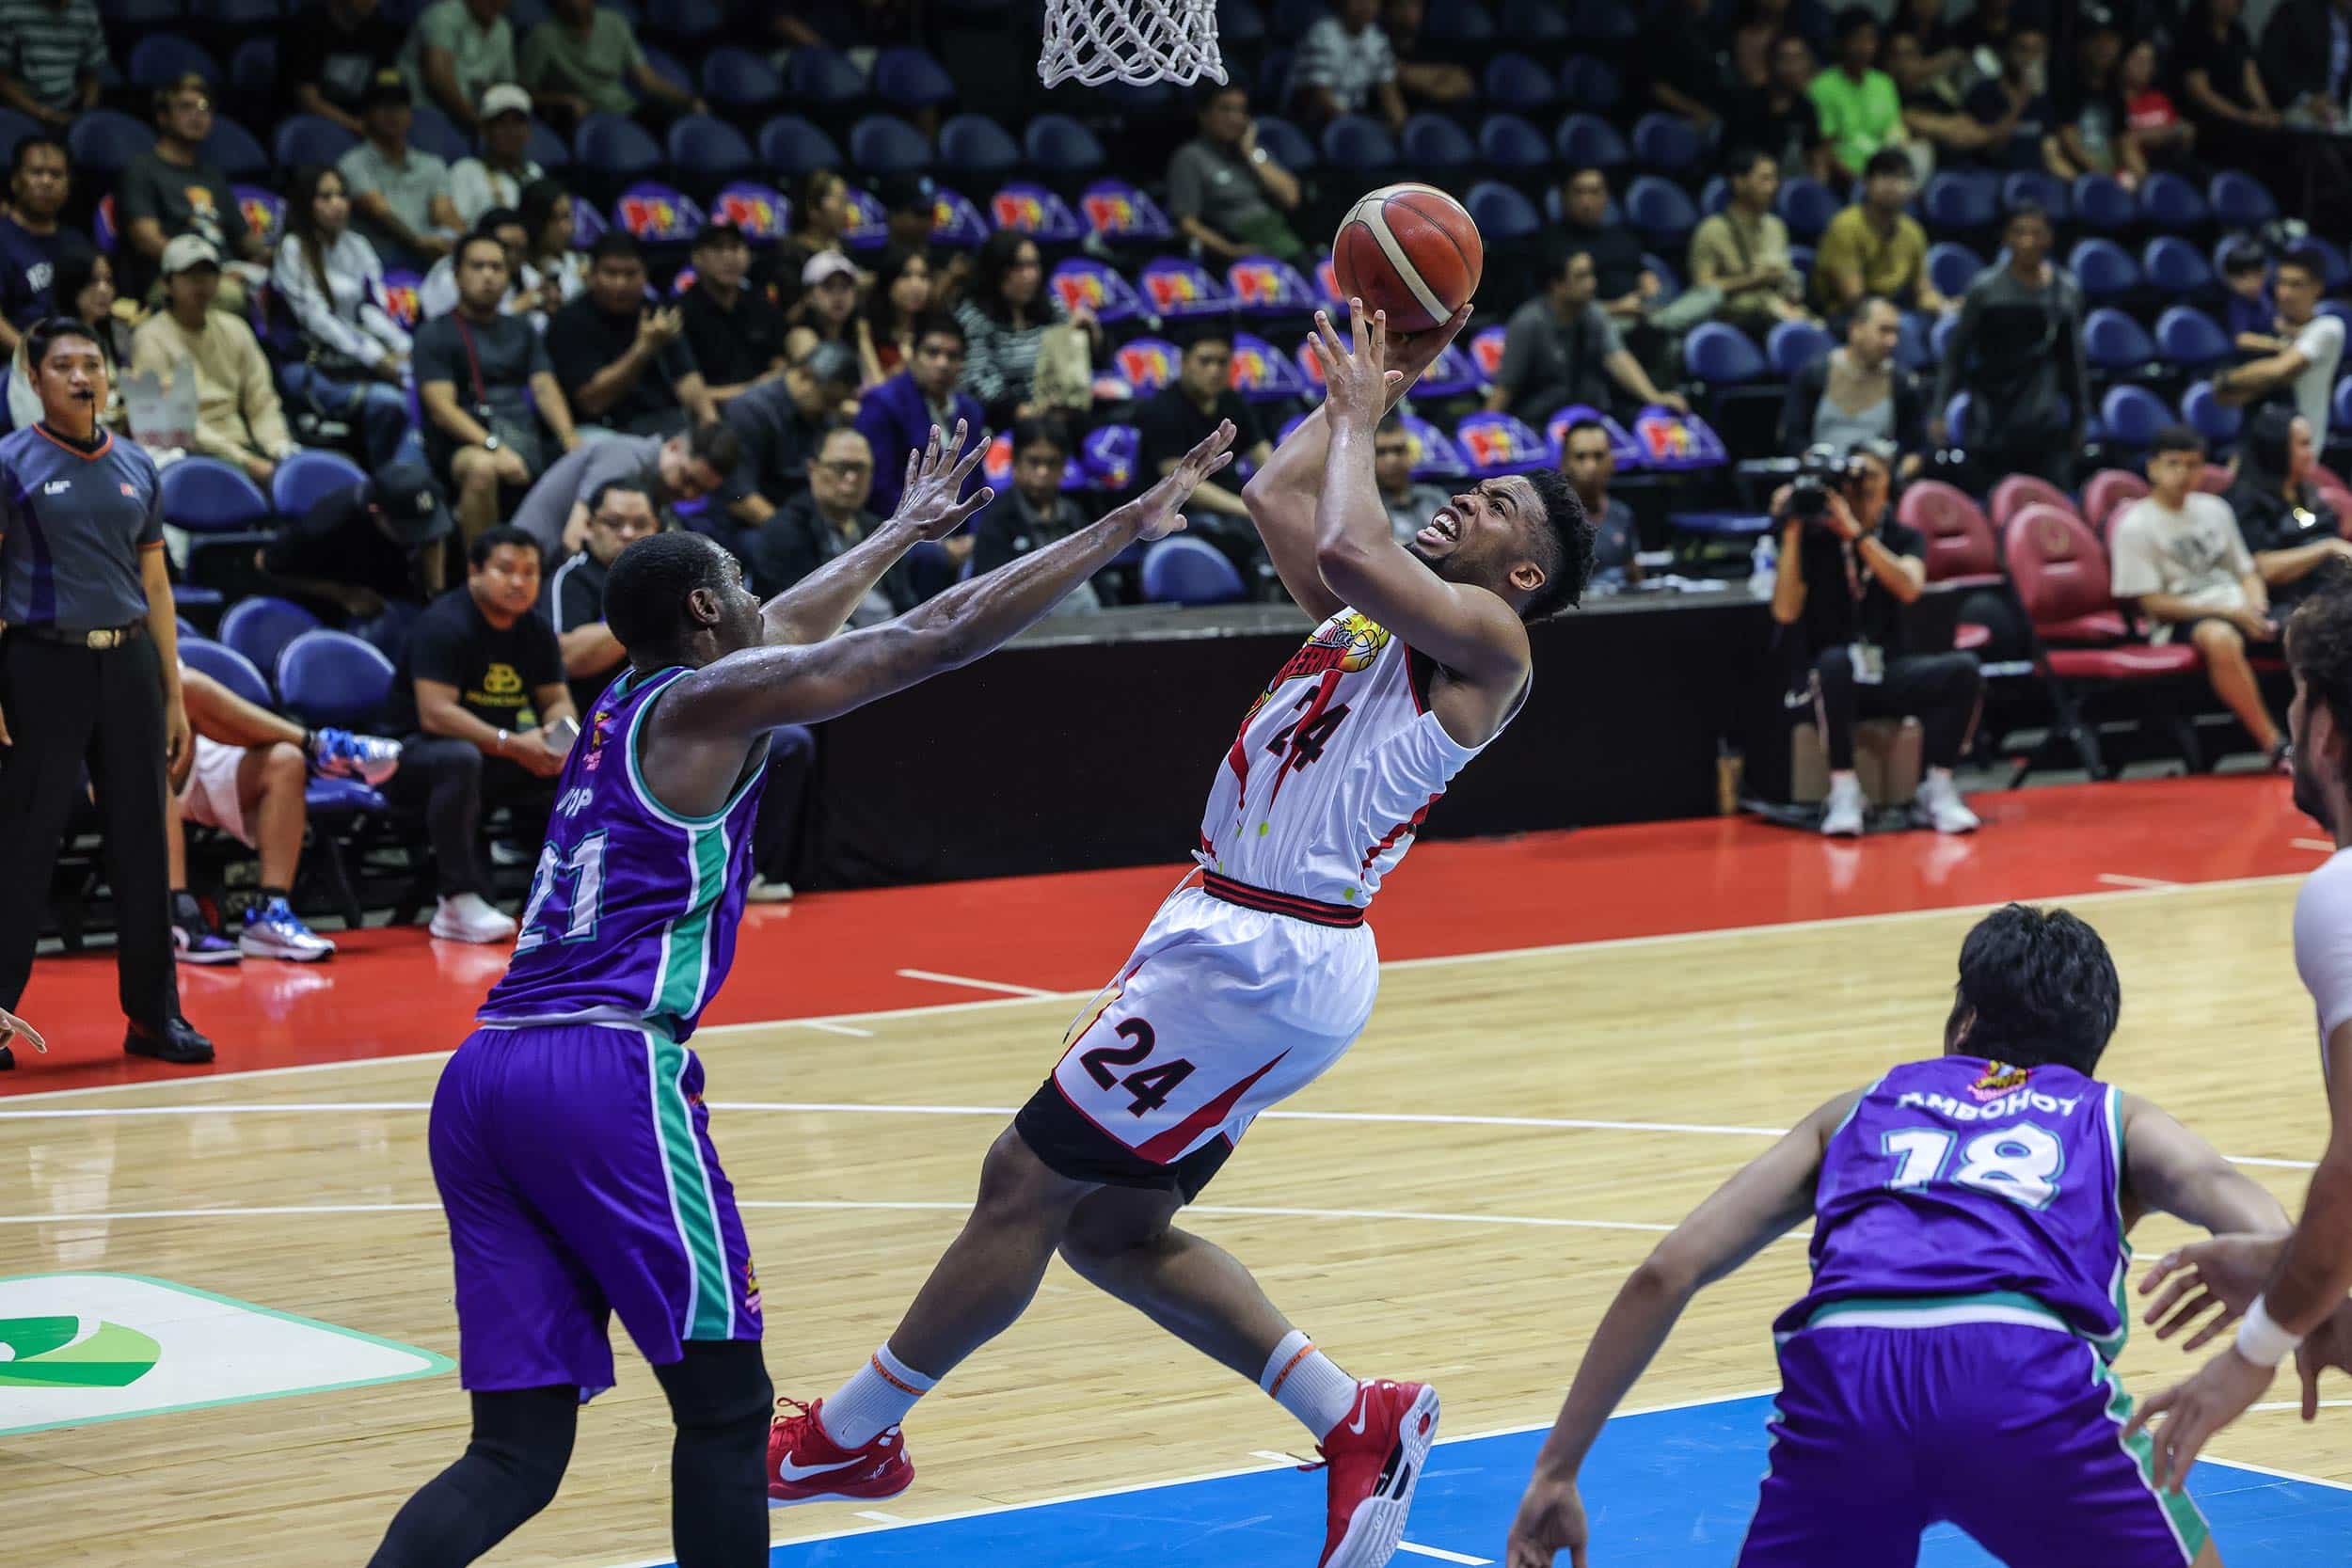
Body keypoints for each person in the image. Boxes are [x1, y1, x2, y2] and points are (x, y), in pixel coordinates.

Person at [767, 306, 1592, 1568]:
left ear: (1522, 571)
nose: (1459, 503)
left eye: (1488, 508)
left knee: (1022, 1180)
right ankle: (1353, 1415)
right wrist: (1363, 392)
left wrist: (1370, 417)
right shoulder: (1379, 616)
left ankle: (851, 1433)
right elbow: (1277, 496)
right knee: (1107, 1229)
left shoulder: (1491, 642)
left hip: (1261, 952)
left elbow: (1358, 545)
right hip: (1238, 936)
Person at [364, 419, 1229, 1568]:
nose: (757, 596)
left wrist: (896, 530)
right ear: (712, 617)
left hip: (485, 1077)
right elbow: (935, 634)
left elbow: (793, 622)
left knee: (515, 1455)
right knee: (726, 1410)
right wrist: (1118, 527)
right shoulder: (699, 707)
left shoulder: (628, 702)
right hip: (604, 1071)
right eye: (737, 584)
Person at [1502, 902, 2286, 1568]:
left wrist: (1556, 1469)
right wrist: (2250, 1271)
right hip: (2017, 1372)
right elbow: (2274, 1232)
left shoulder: (1858, 1106)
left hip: (1849, 1374)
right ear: (2091, 1048)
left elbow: (1666, 1271)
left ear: (1965, 1018)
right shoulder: (2116, 1115)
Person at [2123, 575, 2352, 1493]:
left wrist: (2257, 1344)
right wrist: (2297, 1273)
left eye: (2293, 699)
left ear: (2326, 727)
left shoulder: (2339, 895)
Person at [0, 315, 212, 1070]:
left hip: (126, 667)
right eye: (64, 365)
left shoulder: (137, 465)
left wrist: (174, 693)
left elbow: (155, 583)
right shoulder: (10, 463)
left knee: (143, 846)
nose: (82, 376)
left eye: (92, 362)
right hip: (39, 664)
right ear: (34, 379)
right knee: (23, 844)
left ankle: (156, 1018)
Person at [1769, 441, 1982, 835]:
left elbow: (1909, 587)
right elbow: (1784, 611)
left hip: (1888, 668)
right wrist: (1792, 530)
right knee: (1834, 663)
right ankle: (1845, 792)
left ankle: (1936, 788)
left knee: (1963, 670)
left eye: (1872, 474)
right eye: (1854, 475)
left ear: (1890, 483)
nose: (1861, 484)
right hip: (1830, 682)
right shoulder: (1815, 538)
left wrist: (1858, 535)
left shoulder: (1904, 536)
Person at [382, 524, 573, 943]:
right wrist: (511, 743)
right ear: (474, 572)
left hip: (493, 752)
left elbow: (556, 699)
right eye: (506, 569)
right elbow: (435, 715)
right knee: (459, 758)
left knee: (575, 766)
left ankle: (556, 899)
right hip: (413, 756)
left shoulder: (535, 630)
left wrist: (561, 737)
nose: (519, 581)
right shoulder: (443, 624)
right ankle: (456, 900)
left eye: (530, 571)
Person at [166, 663, 401, 964]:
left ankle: (269, 915)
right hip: (140, 766)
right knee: (187, 688)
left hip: (195, 750)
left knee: (285, 761)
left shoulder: (157, 629)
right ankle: (320, 746)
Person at [2109, 426, 2288, 768]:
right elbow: (2151, 604)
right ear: (2152, 468)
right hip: (2184, 617)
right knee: (2219, 637)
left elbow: (2247, 570)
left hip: (2239, 605)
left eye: (2192, 465)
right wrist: (2232, 614)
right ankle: (2275, 745)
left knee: (2314, 627)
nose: (2183, 473)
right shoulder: (2134, 525)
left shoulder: (2215, 509)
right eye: (2173, 464)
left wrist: (2256, 605)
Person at [414, 230, 580, 540]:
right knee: (482, 469)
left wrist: (570, 440)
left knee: (592, 455)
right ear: (457, 274)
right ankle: (486, 569)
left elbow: (544, 387)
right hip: (464, 444)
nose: (488, 275)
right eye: (477, 266)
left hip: (522, 435)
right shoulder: (434, 334)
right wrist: (494, 447)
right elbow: (441, 410)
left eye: (497, 267)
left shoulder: (522, 329)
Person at [271, 164, 424, 473]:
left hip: (355, 360)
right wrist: (377, 358)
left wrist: (405, 347)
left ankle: (410, 484)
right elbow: (318, 320)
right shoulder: (293, 249)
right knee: (389, 402)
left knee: (422, 392)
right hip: (312, 364)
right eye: (325, 197)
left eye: (341, 195)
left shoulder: (357, 245)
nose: (336, 204)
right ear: (306, 202)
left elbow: (371, 308)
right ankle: (387, 482)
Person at [1930, 203, 2088, 489]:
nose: (2028, 241)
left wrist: (2080, 418)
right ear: (2006, 238)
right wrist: (1939, 410)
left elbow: (2073, 362)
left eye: (2036, 233)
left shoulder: (2066, 291)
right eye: (2019, 232)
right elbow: (1957, 355)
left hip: (2043, 417)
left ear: (2049, 238)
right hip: (1991, 415)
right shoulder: (1984, 289)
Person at [130, 237, 303, 489]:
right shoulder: (150, 337)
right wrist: (245, 461)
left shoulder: (236, 329)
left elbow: (261, 400)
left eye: (208, 273)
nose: (201, 283)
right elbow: (175, 421)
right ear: (167, 284)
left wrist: (277, 446)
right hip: (189, 454)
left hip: (246, 447)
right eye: (190, 275)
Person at [1488, 248, 1690, 427]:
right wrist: (1487, 426)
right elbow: (1506, 387)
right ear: (1556, 285)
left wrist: (1654, 397)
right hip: (1541, 422)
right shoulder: (1528, 322)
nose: (1592, 283)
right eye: (1581, 277)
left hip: (1590, 418)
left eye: (1591, 274)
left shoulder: (1594, 314)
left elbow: (1618, 358)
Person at [259, 459, 452, 639]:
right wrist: (344, 594)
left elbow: (433, 538)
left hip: (392, 584)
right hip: (334, 599)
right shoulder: (326, 524)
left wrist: (435, 593)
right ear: (376, 512)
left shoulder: (421, 510)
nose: (419, 537)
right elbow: (264, 563)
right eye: (410, 531)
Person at [548, 232, 714, 438]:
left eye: (630, 274)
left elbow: (688, 379)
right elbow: (592, 402)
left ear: (645, 276)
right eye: (611, 273)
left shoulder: (657, 314)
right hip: (601, 429)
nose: (620, 284)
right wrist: (643, 349)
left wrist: (712, 425)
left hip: (662, 421)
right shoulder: (569, 321)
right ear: (591, 275)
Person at [117, 76, 264, 305]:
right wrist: (205, 270)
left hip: (226, 271)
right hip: (175, 278)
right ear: (163, 117)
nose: (197, 114)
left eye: (204, 108)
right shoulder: (142, 169)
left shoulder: (212, 175)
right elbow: (146, 239)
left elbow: (244, 239)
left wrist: (283, 252)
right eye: (185, 107)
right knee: (230, 295)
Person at [746, 426, 920, 619]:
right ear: (813, 469)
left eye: (860, 469)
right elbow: (798, 617)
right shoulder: (784, 531)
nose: (851, 478)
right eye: (841, 468)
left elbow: (905, 603)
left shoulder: (881, 528)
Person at [511, 420, 736, 563]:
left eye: (701, 491)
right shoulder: (625, 456)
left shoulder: (660, 491)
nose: (688, 493)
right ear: (674, 447)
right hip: (528, 564)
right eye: (688, 479)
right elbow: (574, 538)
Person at [1135, 327, 1274, 546]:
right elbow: (1179, 484)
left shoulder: (1234, 403)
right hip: (1175, 514)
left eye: (1222, 362)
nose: (1214, 370)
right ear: (1184, 362)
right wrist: (1246, 509)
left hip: (1230, 508)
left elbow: (1266, 459)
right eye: (1205, 361)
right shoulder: (1162, 410)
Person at [953, 230, 1097, 428]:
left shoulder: (1052, 309)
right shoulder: (974, 317)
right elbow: (976, 380)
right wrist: (1018, 409)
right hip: (1001, 418)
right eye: (1019, 267)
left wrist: (1086, 333)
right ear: (997, 270)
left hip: (1056, 411)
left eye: (1034, 265)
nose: (1031, 275)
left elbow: (1070, 365)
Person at [545, 477, 659, 714]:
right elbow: (566, 659)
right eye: (614, 522)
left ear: (656, 528)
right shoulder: (572, 578)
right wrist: (651, 612)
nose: (628, 533)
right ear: (588, 526)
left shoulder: (669, 579)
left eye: (640, 524)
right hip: (594, 719)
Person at [722, 341, 857, 538]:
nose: (832, 411)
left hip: (803, 519)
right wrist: (796, 537)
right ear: (805, 376)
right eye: (830, 401)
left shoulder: (822, 416)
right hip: (752, 527)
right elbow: (740, 499)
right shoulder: (750, 411)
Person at [968, 418, 1104, 614]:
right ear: (1015, 463)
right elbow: (989, 596)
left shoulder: (1074, 514)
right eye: (1033, 462)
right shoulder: (996, 518)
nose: (1042, 472)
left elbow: (1098, 581)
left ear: (1064, 465)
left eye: (1051, 463)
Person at [855, 313, 984, 519]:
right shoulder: (882, 403)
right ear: (913, 356)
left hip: (959, 531)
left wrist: (974, 538)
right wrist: (931, 535)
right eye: (932, 353)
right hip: (897, 527)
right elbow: (879, 489)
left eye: (953, 356)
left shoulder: (970, 410)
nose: (943, 364)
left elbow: (977, 482)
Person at [2228, 407, 2352, 622]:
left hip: (2329, 592)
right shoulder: (2244, 500)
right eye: (2303, 444)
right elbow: (2261, 568)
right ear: (2276, 449)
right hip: (2284, 606)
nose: (2311, 453)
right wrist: (2327, 548)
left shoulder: (2305, 490)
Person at [2215, 247, 2344, 449]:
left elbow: (2280, 370)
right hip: (2255, 441)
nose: (2285, 293)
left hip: (2300, 448)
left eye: (2296, 285)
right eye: (2281, 283)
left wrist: (2228, 379)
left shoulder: (2327, 327)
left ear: (2317, 288)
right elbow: (2223, 397)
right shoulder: (2269, 324)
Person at [1167, 84, 1308, 266]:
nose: (1235, 118)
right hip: (1234, 251)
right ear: (1203, 114)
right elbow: (1186, 223)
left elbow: (1291, 198)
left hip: (1278, 240)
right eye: (1225, 109)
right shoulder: (1190, 157)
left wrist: (1250, 153)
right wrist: (1230, 251)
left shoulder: (1254, 153)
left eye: (1241, 111)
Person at [1779, 295, 1926, 466]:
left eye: (1895, 332)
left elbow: (1917, 443)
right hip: (1822, 476)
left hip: (1878, 482)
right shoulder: (1814, 375)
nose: (1892, 341)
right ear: (1856, 330)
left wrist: (1910, 463)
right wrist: (1811, 462)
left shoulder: (1902, 382)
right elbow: (1792, 436)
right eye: (1884, 331)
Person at [339, 68, 460, 268]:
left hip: (429, 260)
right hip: (378, 264)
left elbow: (445, 214)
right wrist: (419, 242)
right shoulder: (352, 164)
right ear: (366, 114)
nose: (392, 113)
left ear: (410, 114)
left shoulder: (432, 165)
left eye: (399, 105)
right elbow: (380, 213)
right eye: (382, 105)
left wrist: (455, 241)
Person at [1811, 149, 1950, 320]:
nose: (1893, 185)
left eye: (1901, 178)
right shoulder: (1845, 226)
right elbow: (1854, 299)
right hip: (1849, 315)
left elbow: (1923, 291)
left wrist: (1945, 306)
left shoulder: (1913, 230)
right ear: (1867, 183)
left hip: (1894, 310)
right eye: (1885, 176)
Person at [1687, 146, 1808, 337]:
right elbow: (1703, 289)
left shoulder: (1776, 226)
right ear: (1739, 182)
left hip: (1776, 310)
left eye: (1775, 178)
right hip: (1735, 320)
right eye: (1764, 179)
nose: (1773, 186)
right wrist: (1751, 281)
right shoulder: (1712, 230)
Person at [520, 0, 702, 127]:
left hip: (626, 109)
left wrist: (688, 100)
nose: (574, 2)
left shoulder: (615, 22)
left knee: (673, 119)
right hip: (583, 116)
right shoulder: (541, 37)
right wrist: (563, 101)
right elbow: (525, 93)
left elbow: (647, 80)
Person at [0, 136, 93, 357]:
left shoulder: (77, 242)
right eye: (36, 173)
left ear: (68, 185)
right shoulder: (3, 238)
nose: (46, 181)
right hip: (15, 366)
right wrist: (34, 358)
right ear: (15, 180)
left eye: (56, 174)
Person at [678, 223, 787, 409]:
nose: (729, 257)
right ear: (697, 258)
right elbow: (687, 392)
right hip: (708, 414)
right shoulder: (681, 313)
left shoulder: (761, 304)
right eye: (718, 248)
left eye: (735, 247)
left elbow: (781, 362)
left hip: (767, 407)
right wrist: (752, 391)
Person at [282, 0, 405, 136]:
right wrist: (358, 127)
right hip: (312, 121)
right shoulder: (307, 26)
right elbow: (308, 101)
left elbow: (387, 83)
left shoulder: (378, 26)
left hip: (363, 120)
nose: (374, 2)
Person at [1810, 8, 1907, 181]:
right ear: (1841, 42)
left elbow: (1896, 133)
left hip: (1885, 175)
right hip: (1845, 178)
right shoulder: (1822, 87)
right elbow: (1825, 150)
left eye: (1870, 39)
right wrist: (1861, 181)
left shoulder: (1884, 83)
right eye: (1857, 39)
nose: (1864, 47)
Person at [1727, 33, 1836, 184]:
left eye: (1800, 58)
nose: (1796, 67)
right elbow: (1735, 162)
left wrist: (1819, 185)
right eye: (1787, 60)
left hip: (1789, 186)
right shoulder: (1746, 105)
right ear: (1770, 64)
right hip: (1749, 184)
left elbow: (1815, 156)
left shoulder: (1806, 107)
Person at [1556, 168, 1659, 328]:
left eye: (1595, 192)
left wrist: (1646, 278)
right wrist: (1616, 308)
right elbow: (1558, 307)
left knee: (1709, 296)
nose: (1586, 202)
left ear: (1606, 197)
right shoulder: (1554, 243)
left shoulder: (1621, 236)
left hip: (1642, 314)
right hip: (1596, 324)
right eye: (1579, 192)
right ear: (1564, 198)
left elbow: (1639, 269)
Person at [401, 0, 518, 136]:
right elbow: (438, 77)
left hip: (474, 119)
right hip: (424, 113)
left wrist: (498, 119)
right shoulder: (443, 15)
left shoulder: (503, 29)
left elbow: (505, 86)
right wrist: (476, 119)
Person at [1285, 0, 1405, 131]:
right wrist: (1361, 129)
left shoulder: (1378, 40)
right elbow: (1321, 98)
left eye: (1373, 1)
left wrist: (1401, 125)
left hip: (1353, 118)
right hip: (1310, 122)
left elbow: (1390, 95)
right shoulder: (1321, 35)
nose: (1367, 6)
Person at [0, 0, 106, 129]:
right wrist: (43, 113)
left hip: (70, 107)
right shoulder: (9, 8)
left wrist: (85, 114)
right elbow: (3, 79)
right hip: (21, 112)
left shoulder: (85, 9)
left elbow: (92, 74)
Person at [448, 84, 543, 229]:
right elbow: (456, 229)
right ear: (485, 130)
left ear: (528, 131)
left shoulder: (534, 172)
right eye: (502, 123)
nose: (511, 131)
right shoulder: (466, 171)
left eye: (518, 123)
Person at [1560, 418, 1638, 591]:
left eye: (1599, 456)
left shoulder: (1622, 515)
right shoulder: (1549, 519)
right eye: (1581, 457)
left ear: (1611, 462)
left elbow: (1634, 578)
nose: (1591, 466)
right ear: (1564, 463)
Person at [417, 205, 526, 323]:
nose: (514, 256)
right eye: (506, 247)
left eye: (521, 249)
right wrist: (515, 307)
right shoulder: (447, 277)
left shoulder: (520, 273)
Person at [1641, 0, 1724, 131]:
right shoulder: (1663, 27)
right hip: (1675, 121)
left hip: (1714, 113)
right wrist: (1699, 113)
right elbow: (1657, 87)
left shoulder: (1712, 25)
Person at [857, 245, 932, 388]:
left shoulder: (935, 330)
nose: (916, 285)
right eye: (905, 276)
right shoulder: (866, 328)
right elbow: (877, 389)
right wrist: (907, 365)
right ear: (888, 282)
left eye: (923, 277)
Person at [516, 178, 586, 325]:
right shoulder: (515, 272)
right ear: (535, 221)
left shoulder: (584, 264)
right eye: (555, 219)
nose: (567, 228)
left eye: (568, 217)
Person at [1373, 417, 1448, 546]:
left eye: (1398, 450)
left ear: (1411, 454)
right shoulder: (1366, 507)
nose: (1391, 460)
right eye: (1381, 452)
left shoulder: (1435, 497)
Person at [783, 249, 858, 366]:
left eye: (845, 286)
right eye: (828, 286)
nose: (838, 295)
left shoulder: (859, 333)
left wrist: (864, 340)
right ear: (808, 296)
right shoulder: (802, 338)